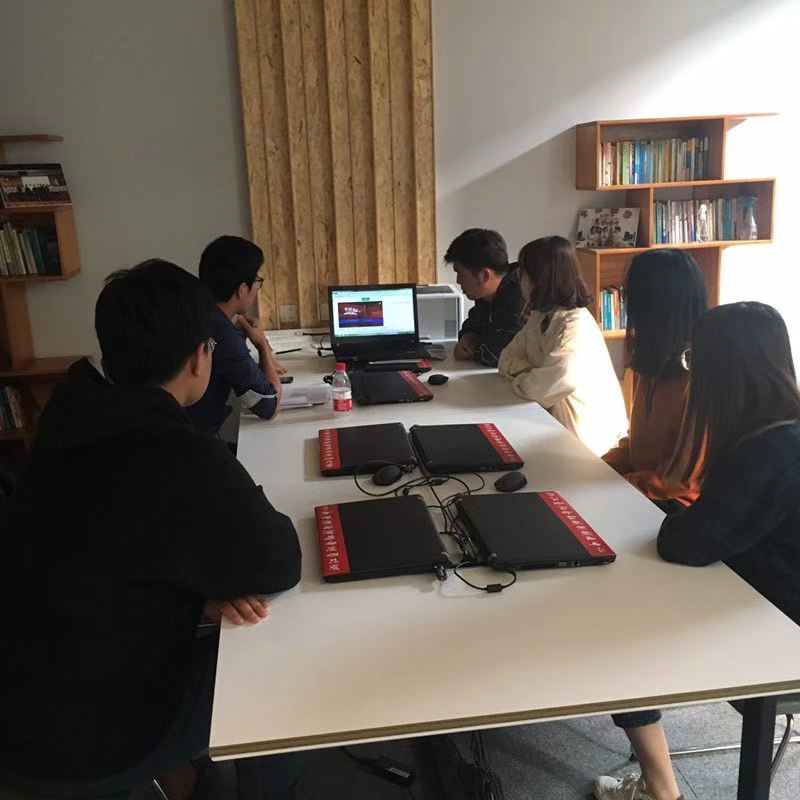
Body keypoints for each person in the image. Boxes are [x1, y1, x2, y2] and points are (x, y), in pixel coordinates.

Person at [0, 260, 302, 799]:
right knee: (272, 654)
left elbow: (111, 547)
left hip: (21, 710)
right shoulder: (180, 454)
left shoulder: (68, 418)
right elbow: (280, 561)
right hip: (94, 743)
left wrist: (196, 596)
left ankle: (185, 779)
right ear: (199, 357)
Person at [595, 302, 800, 800]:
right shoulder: (782, 430)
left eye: (694, 359)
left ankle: (660, 788)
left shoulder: (766, 450)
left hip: (776, 627)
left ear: (721, 372)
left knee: (613, 623)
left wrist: (675, 515)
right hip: (766, 599)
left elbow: (685, 544)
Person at [498, 235, 627, 456]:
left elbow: (542, 390)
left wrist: (521, 377)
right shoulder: (541, 315)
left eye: (524, 275)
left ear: (540, 280)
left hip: (589, 448)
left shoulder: (574, 327)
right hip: (554, 427)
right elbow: (505, 358)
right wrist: (532, 375)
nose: (520, 282)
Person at [602, 249, 708, 510]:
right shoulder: (651, 358)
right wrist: (598, 467)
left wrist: (617, 485)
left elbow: (683, 480)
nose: (628, 307)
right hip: (642, 490)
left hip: (675, 506)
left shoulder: (699, 371)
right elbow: (638, 445)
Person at [187, 235, 285, 434]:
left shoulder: (198, 314)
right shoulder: (224, 334)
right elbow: (270, 406)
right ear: (242, 289)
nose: (257, 289)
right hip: (195, 440)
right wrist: (262, 345)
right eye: (256, 281)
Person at [446, 228, 530, 366]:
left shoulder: (520, 295)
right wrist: (468, 335)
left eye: (461, 274)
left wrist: (472, 349)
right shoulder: (487, 294)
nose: (458, 281)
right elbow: (472, 324)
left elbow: (495, 355)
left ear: (485, 275)